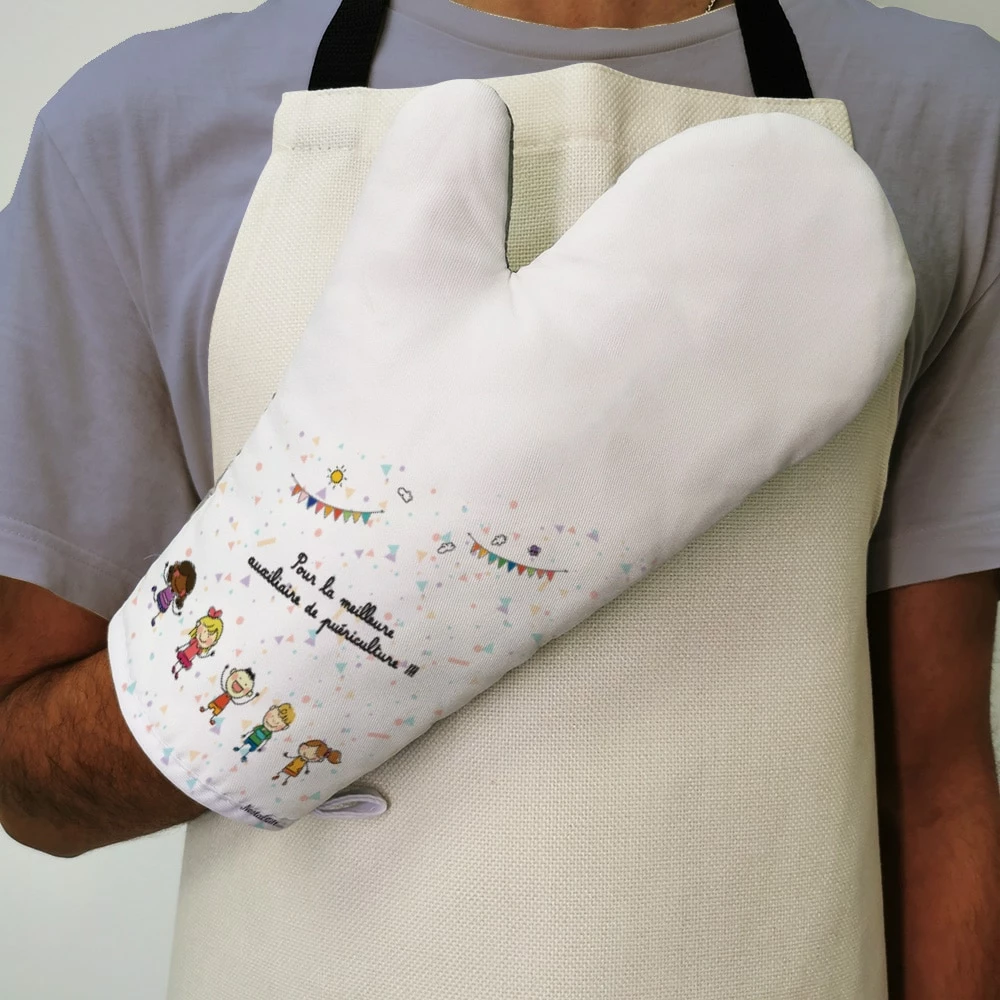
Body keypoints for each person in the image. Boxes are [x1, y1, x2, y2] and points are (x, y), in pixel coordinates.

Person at [0, 0, 997, 996]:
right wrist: (329, 608)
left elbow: (933, 780)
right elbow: (26, 780)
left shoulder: (949, 118)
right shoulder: (140, 131)